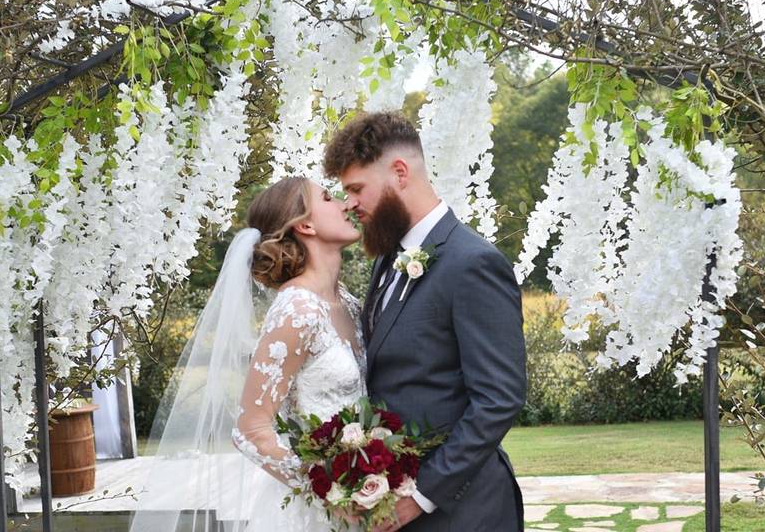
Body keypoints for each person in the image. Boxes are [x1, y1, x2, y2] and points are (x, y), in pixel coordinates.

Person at [323, 111, 526, 532]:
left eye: (357, 188)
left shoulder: (474, 263)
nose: (350, 204)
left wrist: (421, 495)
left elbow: (498, 399)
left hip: (465, 510)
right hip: (395, 503)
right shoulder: (386, 260)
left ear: (400, 172)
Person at [129, 177, 366, 532]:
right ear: (305, 224)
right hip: (313, 513)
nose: (346, 204)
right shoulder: (298, 309)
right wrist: (328, 491)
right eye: (330, 198)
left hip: (365, 499)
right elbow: (250, 430)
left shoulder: (348, 302)